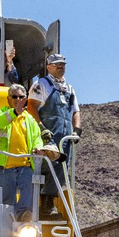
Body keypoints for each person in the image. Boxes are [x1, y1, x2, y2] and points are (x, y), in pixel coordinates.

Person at [0, 84, 55, 220]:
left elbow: (36, 137)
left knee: (29, 186)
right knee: (7, 200)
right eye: (14, 96)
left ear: (25, 99)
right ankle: (7, 227)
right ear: (8, 99)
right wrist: (15, 112)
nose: (18, 99)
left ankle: (23, 217)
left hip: (24, 164)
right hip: (4, 166)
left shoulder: (30, 119)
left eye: (21, 97)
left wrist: (38, 148)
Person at [28, 53, 81, 215]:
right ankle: (42, 203)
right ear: (49, 66)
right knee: (47, 166)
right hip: (48, 135)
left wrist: (77, 129)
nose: (61, 67)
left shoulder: (69, 89)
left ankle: (49, 202)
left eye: (63, 64)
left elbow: (75, 111)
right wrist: (42, 127)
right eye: (57, 64)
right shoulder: (42, 85)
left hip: (65, 137)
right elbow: (31, 106)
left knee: (61, 168)